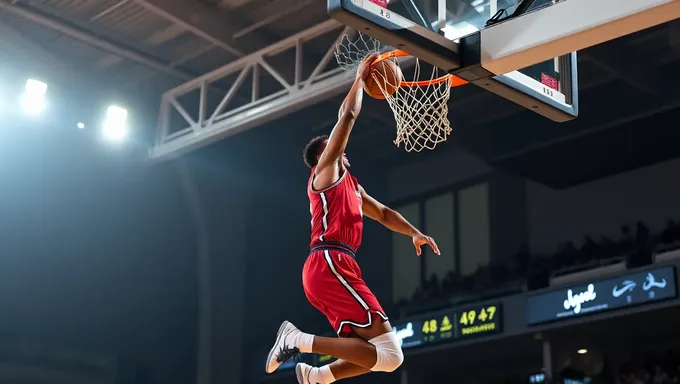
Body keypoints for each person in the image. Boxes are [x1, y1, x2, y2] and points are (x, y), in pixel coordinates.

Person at [265, 53, 440, 383]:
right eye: (334, 147)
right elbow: (347, 117)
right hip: (328, 262)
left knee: (384, 355)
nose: (342, 150)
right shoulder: (324, 174)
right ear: (323, 155)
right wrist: (360, 78)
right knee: (390, 354)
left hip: (334, 266)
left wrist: (413, 233)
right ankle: (296, 340)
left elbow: (385, 213)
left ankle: (318, 377)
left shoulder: (353, 187)